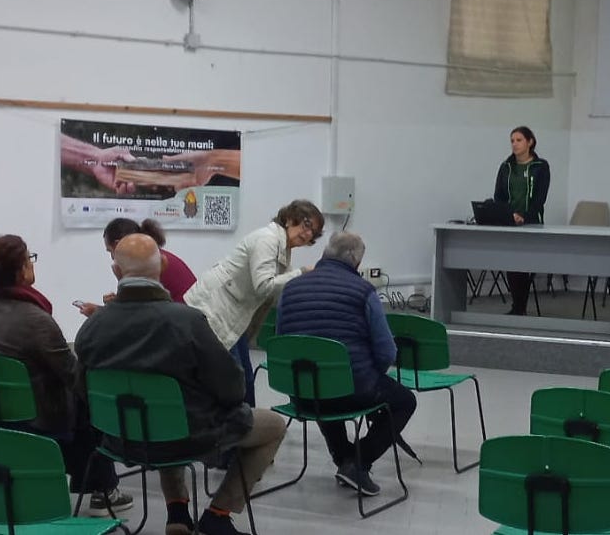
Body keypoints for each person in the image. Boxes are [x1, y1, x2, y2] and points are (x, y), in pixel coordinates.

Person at [76, 234, 286, 535]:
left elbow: (82, 390)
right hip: (191, 436)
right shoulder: (187, 322)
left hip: (120, 438)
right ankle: (218, 513)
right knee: (273, 426)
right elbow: (233, 388)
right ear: (162, 265)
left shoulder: (92, 327)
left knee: (161, 416)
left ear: (116, 272)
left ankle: (177, 512)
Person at [0, 234, 132, 517]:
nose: (32, 263)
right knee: (90, 402)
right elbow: (73, 376)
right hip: (37, 419)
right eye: (29, 259)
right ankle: (103, 491)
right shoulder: (36, 320)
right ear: (20, 271)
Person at [276, 232, 416, 496]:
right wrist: (373, 375)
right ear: (356, 262)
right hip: (353, 390)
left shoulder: (290, 288)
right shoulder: (364, 292)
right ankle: (357, 462)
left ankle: (345, 459)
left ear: (324, 253)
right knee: (404, 401)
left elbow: (281, 341)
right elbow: (387, 352)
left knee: (323, 384)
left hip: (302, 392)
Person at [185, 199, 324, 407]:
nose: (308, 233)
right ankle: (240, 422)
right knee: (234, 380)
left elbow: (277, 289)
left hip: (233, 314)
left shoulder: (283, 247)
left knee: (244, 378)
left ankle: (247, 421)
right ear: (289, 219)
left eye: (313, 231)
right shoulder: (267, 239)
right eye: (306, 224)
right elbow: (264, 286)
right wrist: (302, 273)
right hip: (214, 310)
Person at [75, 217, 197, 316]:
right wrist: (118, 300)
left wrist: (100, 312)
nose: (112, 258)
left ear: (118, 245)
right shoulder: (153, 257)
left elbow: (139, 315)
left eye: (110, 251)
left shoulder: (149, 263)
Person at [492, 126, 551, 315]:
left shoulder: (540, 166)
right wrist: (509, 215)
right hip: (510, 223)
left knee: (523, 264)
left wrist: (524, 216)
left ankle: (520, 307)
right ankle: (517, 307)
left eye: (519, 140)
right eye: (512, 141)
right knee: (512, 264)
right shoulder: (506, 167)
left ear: (530, 142)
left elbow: (540, 198)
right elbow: (499, 196)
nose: (515, 144)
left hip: (531, 223)